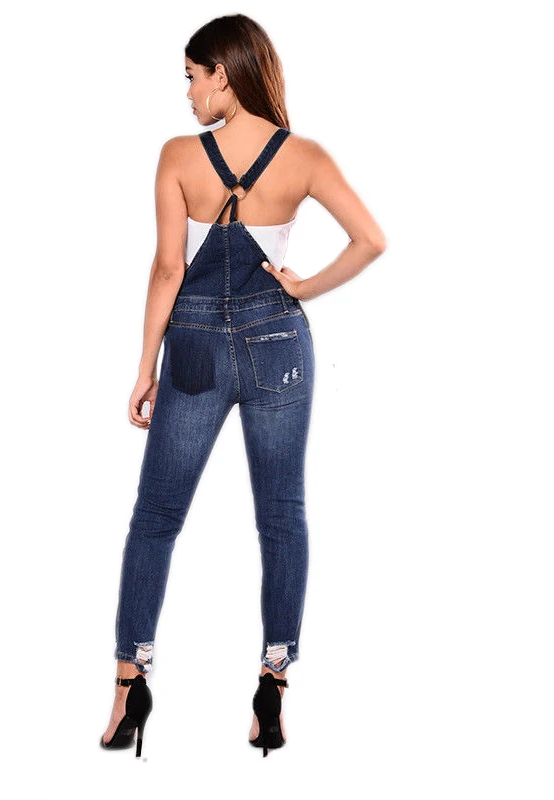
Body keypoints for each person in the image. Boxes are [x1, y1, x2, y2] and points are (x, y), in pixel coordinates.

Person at [100, 14, 387, 758]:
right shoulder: (305, 156)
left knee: (156, 518)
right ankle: (272, 689)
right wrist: (303, 288)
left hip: (194, 347)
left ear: (222, 74)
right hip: (277, 343)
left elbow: (169, 268)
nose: (188, 93)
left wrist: (146, 368)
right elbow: (372, 240)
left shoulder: (178, 157)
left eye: (192, 76)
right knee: (283, 518)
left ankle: (130, 689)